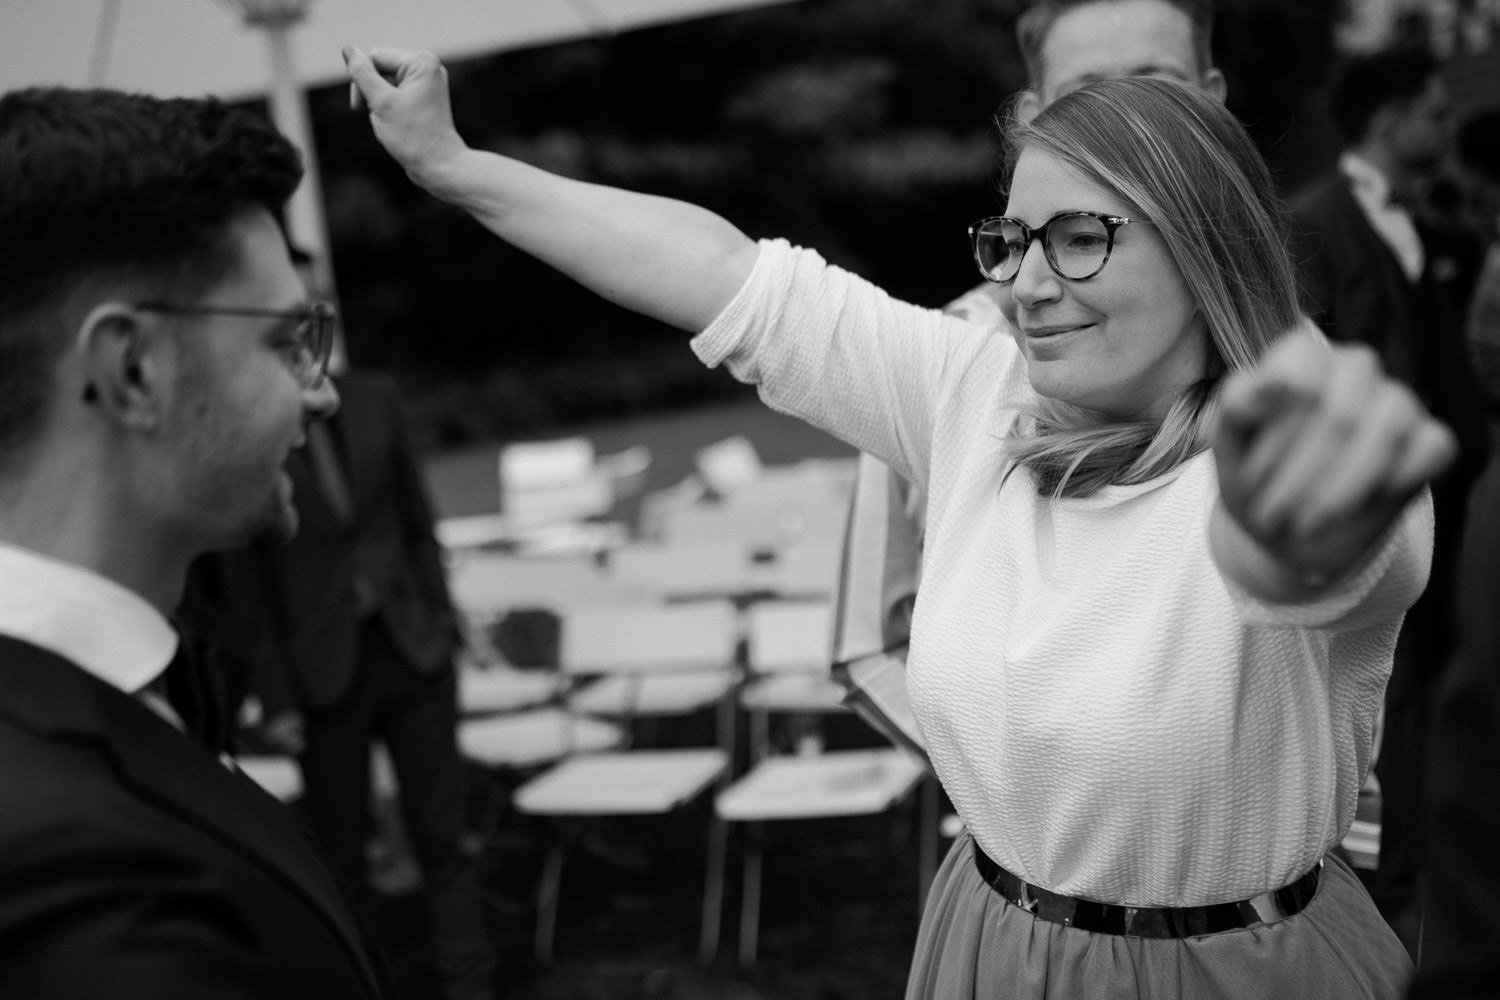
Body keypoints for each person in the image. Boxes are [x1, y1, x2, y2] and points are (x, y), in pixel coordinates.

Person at [348, 45, 1452, 998]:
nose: (1027, 283)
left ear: (1208, 248)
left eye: (1080, 236)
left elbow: (1331, 552)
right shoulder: (977, 396)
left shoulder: (1283, 466)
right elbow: (729, 277)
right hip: (986, 940)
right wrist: (455, 166)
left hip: (1236, 972)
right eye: (1011, 240)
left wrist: (1306, 498)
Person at [0, 87, 390, 998]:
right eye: (289, 341)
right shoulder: (59, 868)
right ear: (133, 371)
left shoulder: (132, 684)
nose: (321, 392)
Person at [830, 0, 1226, 752]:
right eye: (1088, 93)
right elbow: (870, 643)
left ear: (1213, 97)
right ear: (1035, 117)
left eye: (1158, 84)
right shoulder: (953, 352)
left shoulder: (1280, 338)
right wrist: (1024, 798)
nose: (1126, 119)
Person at [181, 351, 498, 1000]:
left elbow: (417, 521)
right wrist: (276, 693)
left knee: (444, 838)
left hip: (413, 650)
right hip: (319, 671)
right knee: (340, 859)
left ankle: (471, 985)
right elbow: (248, 580)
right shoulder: (249, 416)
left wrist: (439, 618)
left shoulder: (376, 397)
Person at [1288, 44, 1492, 949]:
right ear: (1387, 121)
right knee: (1382, 722)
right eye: (1435, 113)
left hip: (1450, 525)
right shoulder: (1314, 225)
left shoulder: (1435, 225)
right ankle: (1376, 906)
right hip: (1371, 535)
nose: (1447, 130)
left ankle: (1417, 894)